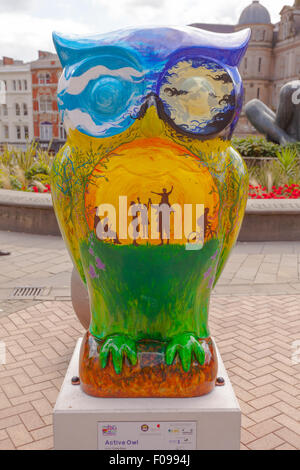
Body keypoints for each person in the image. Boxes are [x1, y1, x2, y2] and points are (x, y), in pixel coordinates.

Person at [245, 81, 300, 145]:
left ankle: (283, 138)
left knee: (251, 107)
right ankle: (282, 137)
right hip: (287, 133)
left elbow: (281, 123)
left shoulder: (291, 87)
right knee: (252, 105)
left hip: (290, 136)